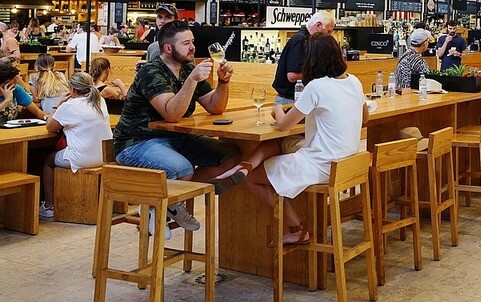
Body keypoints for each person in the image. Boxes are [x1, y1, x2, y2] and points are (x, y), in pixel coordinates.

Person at [112, 20, 241, 236]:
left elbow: (215, 107)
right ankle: (163, 206)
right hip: (136, 143)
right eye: (186, 43)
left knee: (230, 155)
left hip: (175, 139)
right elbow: (171, 114)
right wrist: (191, 80)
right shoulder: (151, 72)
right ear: (168, 48)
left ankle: (171, 203)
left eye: (193, 42)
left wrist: (223, 83)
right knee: (182, 169)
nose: (192, 47)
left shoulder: (188, 68)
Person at [245, 33, 367, 245]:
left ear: (311, 59)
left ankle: (296, 229)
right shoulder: (354, 81)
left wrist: (276, 109)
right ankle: (243, 166)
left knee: (254, 178)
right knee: (286, 147)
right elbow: (365, 118)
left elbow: (284, 125)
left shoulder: (316, 86)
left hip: (321, 165)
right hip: (348, 162)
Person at [39, 72, 111, 219]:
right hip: (106, 156)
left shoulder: (70, 106)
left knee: (48, 161)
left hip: (81, 159)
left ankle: (49, 206)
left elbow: (50, 127)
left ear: (72, 89)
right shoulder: (100, 101)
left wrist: (57, 104)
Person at [271, 11, 335, 105]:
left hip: (297, 98)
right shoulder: (300, 40)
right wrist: (322, 72)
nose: (329, 36)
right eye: (328, 31)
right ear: (318, 25)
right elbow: (292, 76)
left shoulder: (308, 40)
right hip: (289, 100)